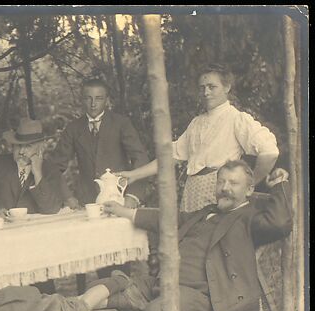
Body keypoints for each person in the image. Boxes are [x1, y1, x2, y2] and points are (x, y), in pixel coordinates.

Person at [93, 161, 291, 311]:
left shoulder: (249, 219)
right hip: (164, 285)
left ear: (248, 190)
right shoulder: (206, 212)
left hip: (202, 297)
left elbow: (279, 223)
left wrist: (279, 186)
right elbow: (167, 218)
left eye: (233, 183)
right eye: (221, 182)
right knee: (97, 290)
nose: (224, 188)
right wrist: (123, 211)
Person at [117, 63, 279, 213]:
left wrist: (248, 185)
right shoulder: (196, 123)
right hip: (191, 191)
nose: (206, 92)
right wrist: (133, 175)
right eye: (202, 88)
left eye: (212, 87)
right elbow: (169, 157)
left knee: (212, 240)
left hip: (219, 190)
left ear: (226, 87)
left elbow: (270, 152)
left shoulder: (236, 119)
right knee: (189, 239)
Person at [50, 78, 150, 209]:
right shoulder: (73, 128)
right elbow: (54, 167)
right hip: (86, 202)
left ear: (107, 100)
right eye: (88, 98)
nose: (93, 104)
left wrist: (132, 196)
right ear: (82, 99)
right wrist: (68, 197)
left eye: (98, 98)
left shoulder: (121, 124)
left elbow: (141, 159)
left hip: (119, 199)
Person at [0, 118, 64, 218]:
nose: (21, 151)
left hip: (34, 229)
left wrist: (38, 174)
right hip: (2, 227)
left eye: (28, 146)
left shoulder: (50, 170)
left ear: (40, 148)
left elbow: (51, 208)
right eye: (18, 146)